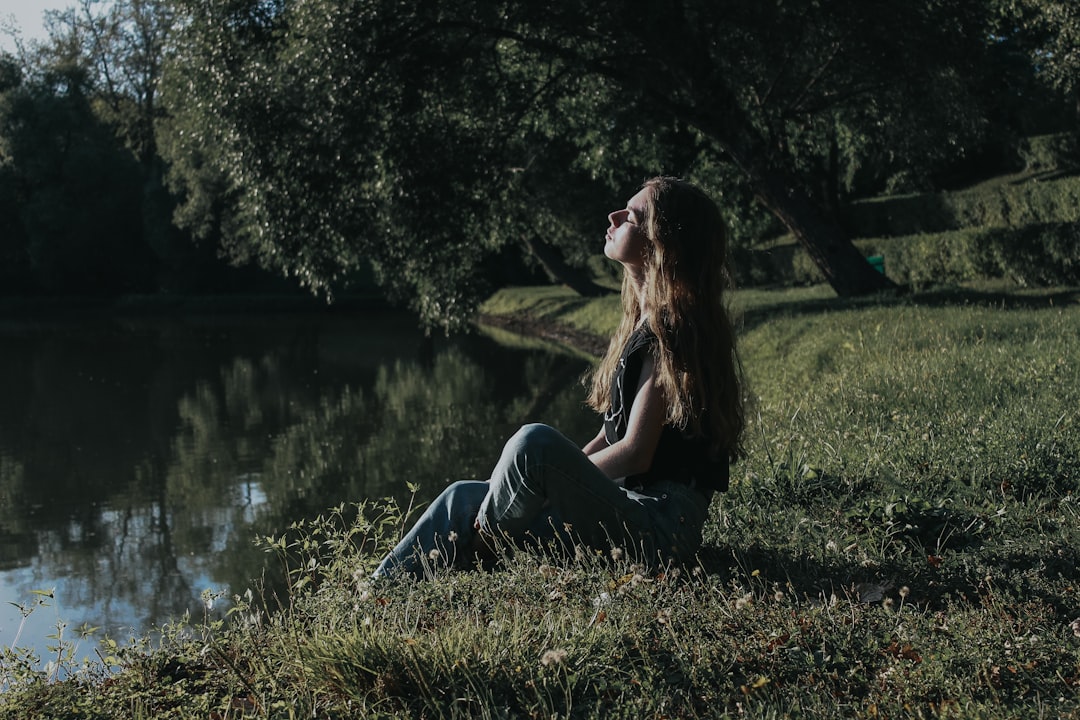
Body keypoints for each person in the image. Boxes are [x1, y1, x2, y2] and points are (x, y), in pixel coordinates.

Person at [372, 176, 745, 580]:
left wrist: (555, 478)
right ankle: (375, 595)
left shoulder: (675, 331)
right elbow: (610, 437)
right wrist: (558, 482)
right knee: (462, 496)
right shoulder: (643, 323)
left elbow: (636, 452)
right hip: (629, 508)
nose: (614, 216)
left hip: (660, 530)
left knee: (533, 443)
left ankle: (479, 557)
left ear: (662, 245)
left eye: (633, 218)